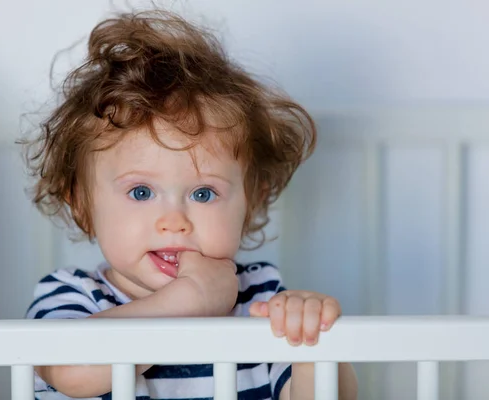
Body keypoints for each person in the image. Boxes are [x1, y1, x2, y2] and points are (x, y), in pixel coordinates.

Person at [20, 8, 358, 400]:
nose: (174, 221)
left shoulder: (261, 299)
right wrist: (188, 301)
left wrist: (314, 346)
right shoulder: (72, 297)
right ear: (82, 204)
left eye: (203, 194)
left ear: (251, 204)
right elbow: (72, 372)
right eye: (141, 192)